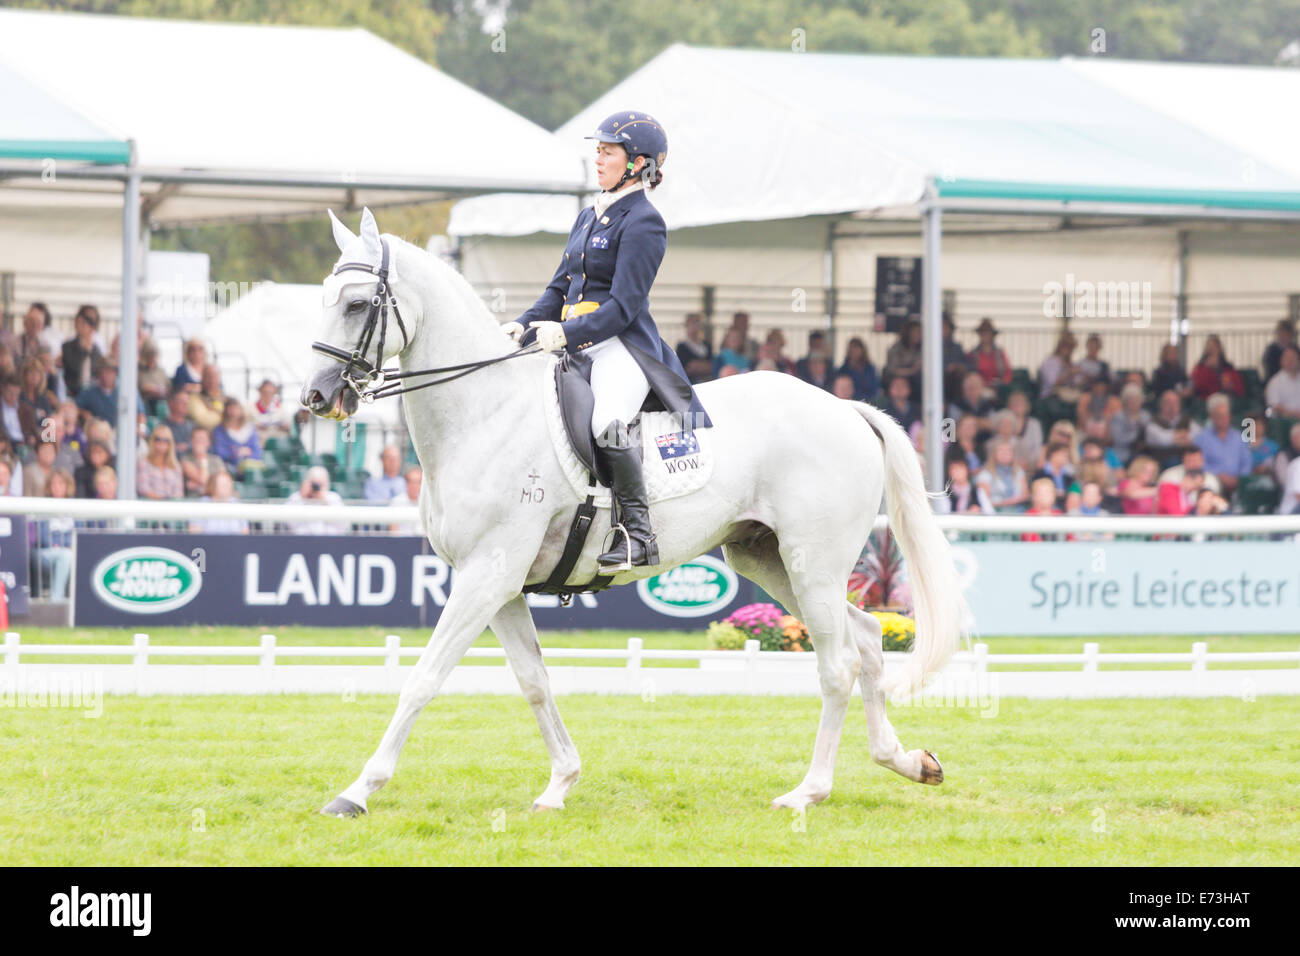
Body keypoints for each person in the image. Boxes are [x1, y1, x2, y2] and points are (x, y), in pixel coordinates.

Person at [503, 111, 710, 571]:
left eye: (607, 151)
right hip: (574, 341)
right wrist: (525, 323)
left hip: (621, 346)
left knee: (608, 423)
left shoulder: (644, 222)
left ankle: (638, 534)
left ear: (637, 163)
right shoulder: (588, 214)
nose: (597, 158)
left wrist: (566, 332)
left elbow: (623, 307)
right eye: (597, 149)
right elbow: (559, 288)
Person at [1194, 392, 1252, 497]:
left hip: (1238, 485)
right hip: (1211, 484)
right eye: (1220, 416)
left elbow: (1246, 462)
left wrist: (1238, 479)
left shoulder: (1240, 437)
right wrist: (1219, 476)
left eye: (1227, 415)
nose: (1224, 419)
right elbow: (1199, 463)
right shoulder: (1202, 438)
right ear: (1212, 417)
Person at [34, 468, 76, 598]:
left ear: (67, 485)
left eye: (61, 483)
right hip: (45, 553)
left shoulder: (77, 506)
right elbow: (42, 538)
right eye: (54, 483)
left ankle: (58, 598)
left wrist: (64, 544)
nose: (57, 487)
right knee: (66, 555)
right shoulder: (43, 506)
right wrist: (62, 544)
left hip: (68, 552)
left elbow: (78, 534)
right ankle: (57, 599)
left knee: (66, 555)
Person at [285, 466, 347, 534]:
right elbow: (289, 524)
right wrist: (302, 498)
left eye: (320, 484)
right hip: (301, 541)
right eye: (313, 483)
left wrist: (325, 502)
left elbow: (343, 525)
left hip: (328, 540)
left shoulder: (333, 498)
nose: (316, 488)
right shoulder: (297, 497)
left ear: (327, 484)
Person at [60, 305, 103, 398]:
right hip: (72, 391)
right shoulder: (67, 346)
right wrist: (85, 352)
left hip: (92, 392)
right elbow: (74, 367)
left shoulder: (96, 350)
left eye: (84, 324)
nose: (79, 326)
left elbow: (97, 372)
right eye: (78, 323)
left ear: (91, 328)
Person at [211, 399, 264, 475]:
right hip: (229, 468)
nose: (234, 412)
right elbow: (219, 451)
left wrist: (248, 454)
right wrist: (236, 453)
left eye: (237, 408)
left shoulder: (250, 429)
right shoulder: (219, 431)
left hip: (249, 468)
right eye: (231, 409)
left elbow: (257, 451)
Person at [975, 438, 1030, 512]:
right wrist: (1007, 502)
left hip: (1019, 512)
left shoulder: (1019, 471)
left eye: (1008, 451)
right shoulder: (985, 474)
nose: (1005, 453)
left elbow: (1026, 495)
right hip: (995, 513)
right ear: (994, 454)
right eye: (1001, 450)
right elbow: (984, 501)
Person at [1190, 335, 1245, 399]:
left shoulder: (1228, 368)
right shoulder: (1199, 368)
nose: (1212, 350)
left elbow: (1238, 388)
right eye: (1209, 347)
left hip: (1228, 398)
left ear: (1219, 349)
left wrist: (1229, 386)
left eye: (1214, 347)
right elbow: (1198, 386)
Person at [138, 424, 183, 500]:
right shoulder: (143, 463)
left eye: (166, 440)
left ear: (170, 444)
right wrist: (162, 500)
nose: (161, 443)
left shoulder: (176, 466)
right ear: (153, 441)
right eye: (158, 439)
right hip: (149, 506)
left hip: (172, 508)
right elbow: (143, 489)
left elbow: (178, 493)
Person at [1108, 382, 1150, 462]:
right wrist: (1137, 435)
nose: (1134, 402)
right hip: (1123, 454)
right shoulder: (1118, 417)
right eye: (1131, 399)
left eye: (1137, 399)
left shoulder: (1146, 416)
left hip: (1143, 453)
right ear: (1125, 401)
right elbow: (1118, 439)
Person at [180, 427, 228, 497]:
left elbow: (223, 482)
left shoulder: (216, 460)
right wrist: (203, 459)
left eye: (202, 439)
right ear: (191, 441)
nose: (199, 442)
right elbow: (203, 479)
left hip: (215, 499)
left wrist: (196, 484)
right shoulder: (186, 459)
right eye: (196, 439)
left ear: (209, 442)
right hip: (194, 500)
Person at [883, 320, 923, 399]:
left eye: (920, 332)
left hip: (916, 381)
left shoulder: (922, 348)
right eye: (916, 332)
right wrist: (912, 370)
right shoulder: (896, 349)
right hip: (896, 379)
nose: (918, 335)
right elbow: (893, 370)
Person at [835, 336, 877, 401]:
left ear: (862, 350)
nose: (854, 351)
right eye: (852, 348)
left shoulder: (870, 368)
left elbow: (874, 388)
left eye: (856, 348)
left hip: (869, 401)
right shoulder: (843, 370)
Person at [1264, 344, 1300, 419]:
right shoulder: (1275, 382)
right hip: (1285, 421)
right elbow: (1275, 406)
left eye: (1293, 357)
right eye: (1287, 358)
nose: (1290, 361)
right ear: (1281, 361)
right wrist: (1296, 414)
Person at [675, 313, 713, 384]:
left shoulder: (707, 345)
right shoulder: (681, 347)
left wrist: (696, 366)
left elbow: (710, 366)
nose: (694, 326)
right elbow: (684, 368)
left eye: (697, 323)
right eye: (692, 323)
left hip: (707, 381)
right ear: (687, 326)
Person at [137, 340, 171, 417]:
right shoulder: (139, 371)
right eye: (149, 355)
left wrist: (158, 390)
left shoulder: (161, 371)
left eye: (154, 355)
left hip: (161, 403)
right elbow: (140, 387)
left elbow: (168, 389)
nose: (152, 358)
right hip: (144, 404)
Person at [189, 364, 224, 429]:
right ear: (202, 378)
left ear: (219, 378)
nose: (212, 380)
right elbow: (204, 420)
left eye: (215, 376)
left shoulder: (226, 398)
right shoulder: (194, 398)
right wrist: (225, 416)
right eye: (208, 376)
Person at [163, 389, 195, 459]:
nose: (185, 405)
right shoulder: (163, 427)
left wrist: (187, 446)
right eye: (181, 402)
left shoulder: (193, 426)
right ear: (170, 403)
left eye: (187, 402)